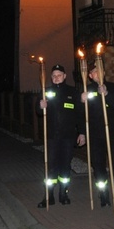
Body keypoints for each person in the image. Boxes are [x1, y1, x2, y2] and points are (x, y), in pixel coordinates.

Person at [36, 64, 85, 208]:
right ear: (51, 78)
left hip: (68, 136)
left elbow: (80, 115)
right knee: (51, 166)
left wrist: (82, 132)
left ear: (64, 76)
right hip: (52, 136)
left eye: (59, 75)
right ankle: (49, 196)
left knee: (65, 166)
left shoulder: (72, 92)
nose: (56, 78)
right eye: (54, 76)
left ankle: (63, 194)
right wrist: (41, 106)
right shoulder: (46, 91)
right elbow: (38, 112)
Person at [80, 61, 114, 208]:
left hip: (112, 133)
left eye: (100, 71)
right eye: (94, 72)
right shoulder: (87, 90)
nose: (97, 74)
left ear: (104, 73)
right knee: (98, 166)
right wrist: (81, 102)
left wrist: (106, 94)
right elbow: (81, 115)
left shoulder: (113, 87)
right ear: (90, 75)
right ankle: (104, 194)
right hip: (95, 135)